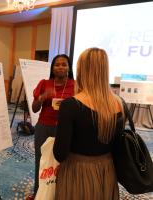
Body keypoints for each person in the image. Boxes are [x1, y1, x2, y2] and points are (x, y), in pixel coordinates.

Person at [53, 48, 124, 199]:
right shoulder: (119, 104)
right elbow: (118, 146)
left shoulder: (70, 105)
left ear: (81, 71)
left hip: (77, 173)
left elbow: (60, 154)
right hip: (107, 171)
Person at [27, 54, 75, 200]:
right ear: (52, 68)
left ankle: (61, 193)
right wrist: (42, 98)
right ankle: (39, 194)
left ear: (69, 67)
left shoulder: (76, 85)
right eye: (57, 64)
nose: (60, 67)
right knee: (42, 162)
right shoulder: (44, 83)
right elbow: (34, 109)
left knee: (65, 163)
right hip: (44, 127)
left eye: (64, 64)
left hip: (66, 129)